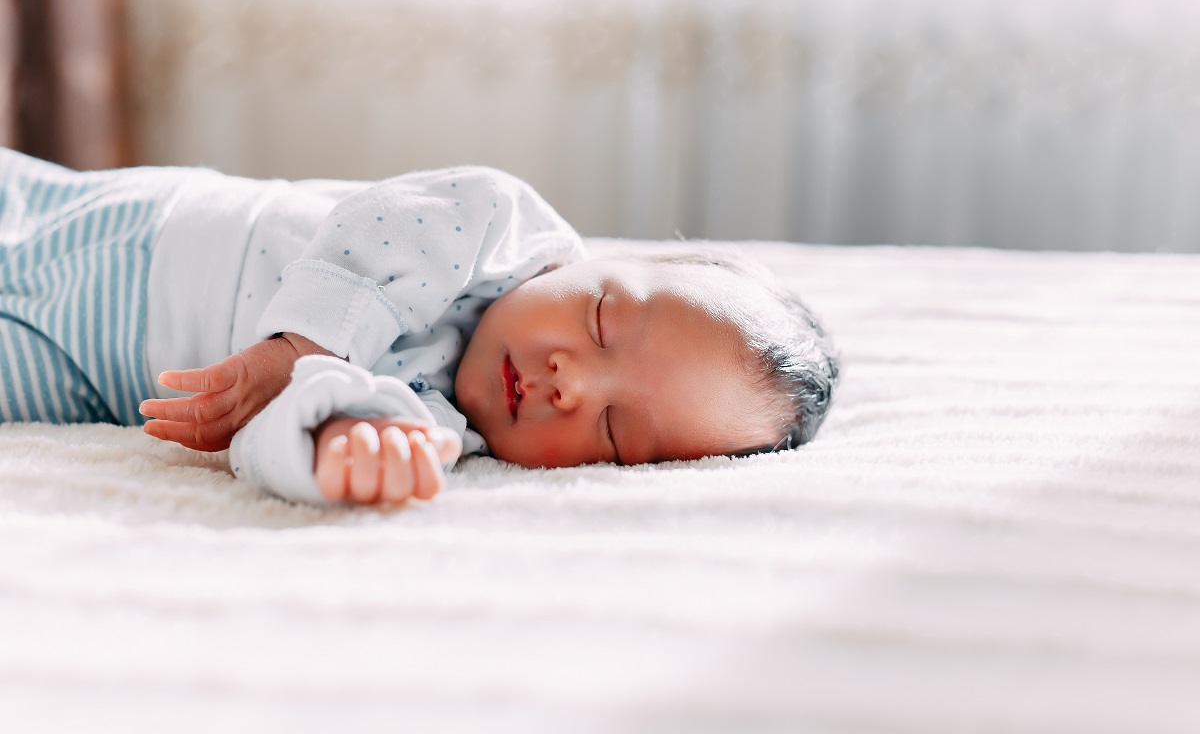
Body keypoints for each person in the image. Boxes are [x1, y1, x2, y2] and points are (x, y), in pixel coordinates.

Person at [0, 147, 839, 507]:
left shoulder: (437, 430)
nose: (570, 380)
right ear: (596, 261)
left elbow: (268, 441)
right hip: (135, 232)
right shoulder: (500, 230)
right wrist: (302, 349)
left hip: (87, 372)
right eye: (603, 318)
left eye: (615, 432)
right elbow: (385, 228)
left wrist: (340, 450)